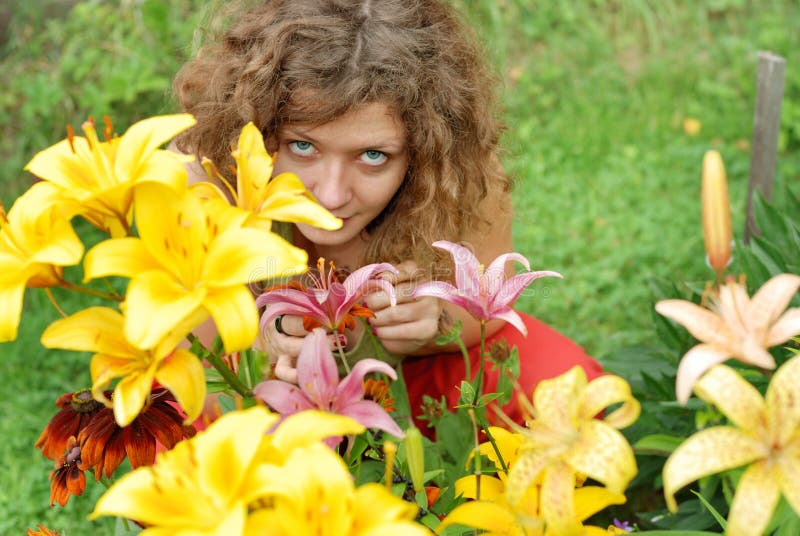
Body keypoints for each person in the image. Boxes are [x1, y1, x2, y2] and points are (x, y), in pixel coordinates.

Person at [171, 0, 601, 432]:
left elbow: (489, 303)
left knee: (564, 389)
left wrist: (440, 321)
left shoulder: (459, 172)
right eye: (302, 146)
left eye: (373, 155)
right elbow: (194, 372)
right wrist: (263, 352)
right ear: (256, 125)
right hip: (260, 390)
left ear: (425, 147)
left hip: (406, 376)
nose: (331, 195)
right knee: (167, 414)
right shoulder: (201, 179)